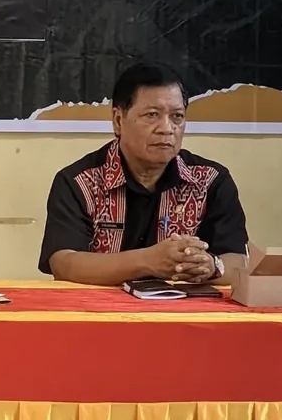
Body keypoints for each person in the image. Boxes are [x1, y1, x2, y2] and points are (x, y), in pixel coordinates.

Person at [39, 62, 249, 286]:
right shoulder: (79, 182)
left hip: (183, 306)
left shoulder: (210, 181)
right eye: (152, 115)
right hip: (100, 306)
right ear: (118, 120)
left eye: (177, 116)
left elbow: (240, 261)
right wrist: (147, 261)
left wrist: (211, 266)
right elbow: (63, 263)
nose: (166, 128)